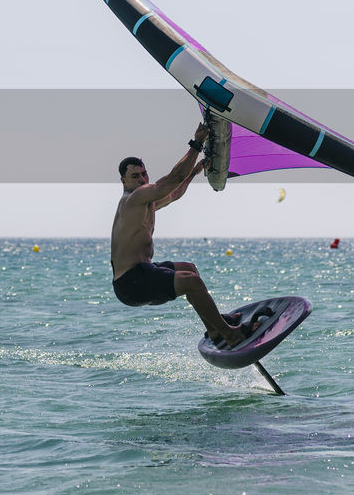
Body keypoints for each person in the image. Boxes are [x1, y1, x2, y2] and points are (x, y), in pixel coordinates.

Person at [110, 122, 258, 346]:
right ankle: (229, 333)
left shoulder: (144, 202)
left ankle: (214, 327)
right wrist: (196, 143)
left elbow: (173, 193)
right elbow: (173, 179)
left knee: (189, 269)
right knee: (192, 282)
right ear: (123, 181)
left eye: (143, 174)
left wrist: (195, 171)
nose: (141, 179)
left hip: (142, 271)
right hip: (130, 283)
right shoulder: (134, 198)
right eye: (135, 176)